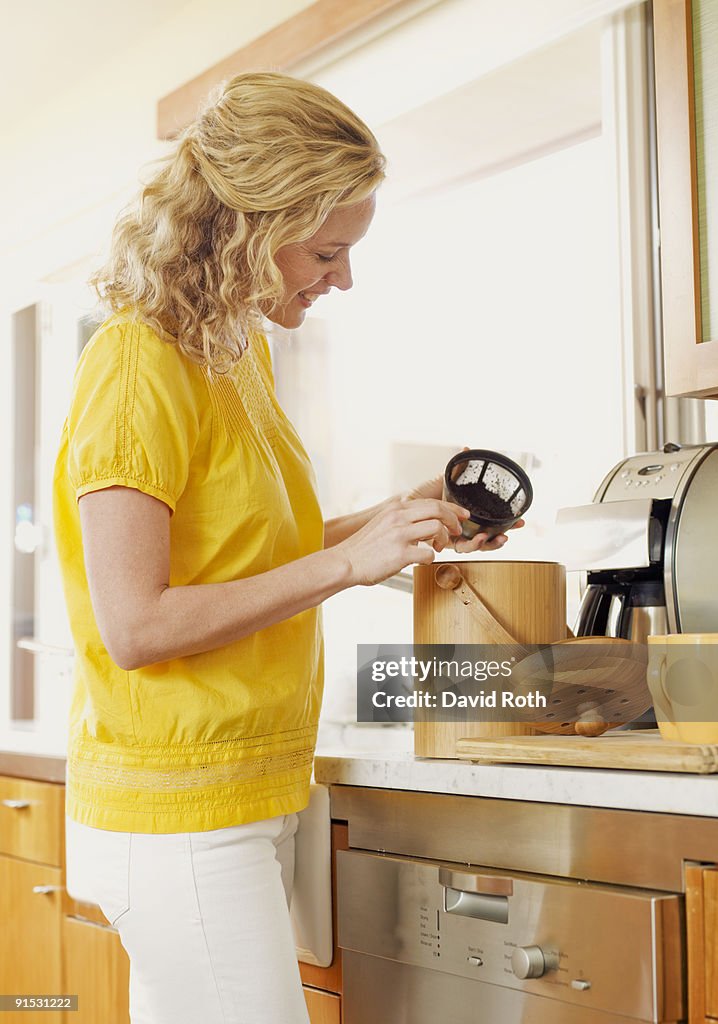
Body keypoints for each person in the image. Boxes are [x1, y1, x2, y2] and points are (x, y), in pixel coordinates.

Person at [52, 72, 514, 1024]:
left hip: (246, 791)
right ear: (244, 226)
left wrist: (395, 519)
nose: (342, 277)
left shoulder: (236, 354)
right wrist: (351, 560)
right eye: (327, 249)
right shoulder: (140, 364)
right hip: (178, 815)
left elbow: (256, 556)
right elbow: (136, 623)